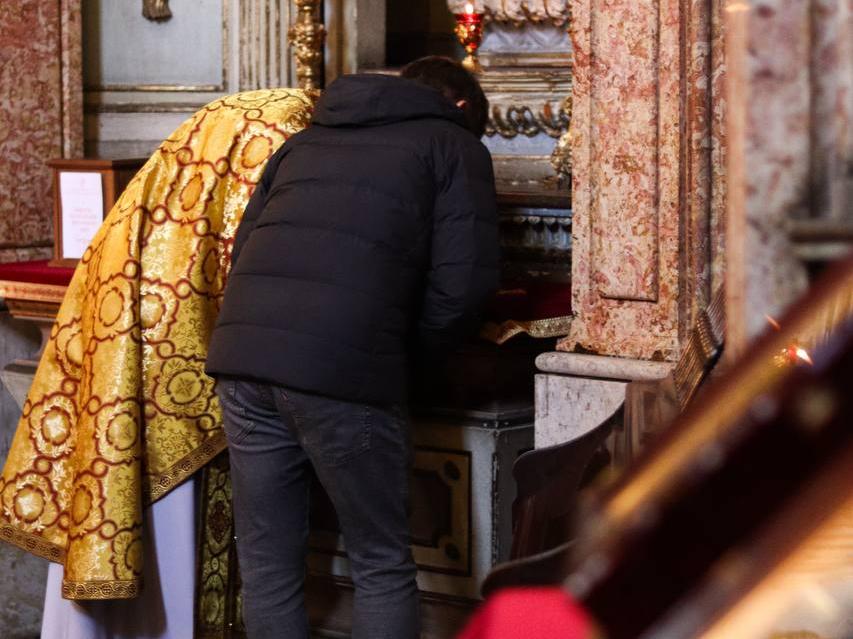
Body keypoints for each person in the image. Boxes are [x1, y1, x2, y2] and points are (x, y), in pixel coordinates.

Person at [204, 56, 499, 639]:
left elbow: (242, 250)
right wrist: (401, 356)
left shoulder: (305, 141)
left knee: (267, 565)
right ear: (461, 107)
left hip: (243, 359)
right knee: (380, 560)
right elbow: (463, 287)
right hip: (343, 366)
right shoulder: (452, 145)